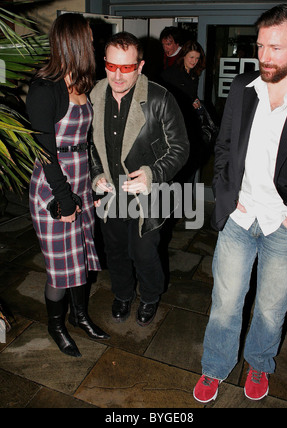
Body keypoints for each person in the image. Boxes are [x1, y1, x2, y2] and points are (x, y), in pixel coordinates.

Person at [193, 3, 287, 403]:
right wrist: (226, 195)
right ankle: (214, 368)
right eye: (260, 46)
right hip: (240, 217)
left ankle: (259, 362)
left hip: (283, 225)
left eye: (276, 48)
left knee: (272, 309)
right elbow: (223, 146)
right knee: (224, 303)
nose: (265, 57)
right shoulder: (243, 87)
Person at [90, 32, 189, 326]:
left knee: (144, 252)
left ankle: (149, 295)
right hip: (112, 194)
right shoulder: (94, 95)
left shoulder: (159, 98)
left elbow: (181, 148)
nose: (118, 76)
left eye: (127, 68)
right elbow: (88, 145)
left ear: (140, 66)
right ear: (104, 63)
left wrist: (152, 174)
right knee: (115, 251)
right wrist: (96, 175)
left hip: (149, 195)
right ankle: (122, 294)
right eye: (112, 66)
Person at [26, 13, 110, 358]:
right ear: (75, 43)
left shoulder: (82, 83)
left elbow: (86, 142)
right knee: (61, 265)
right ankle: (56, 325)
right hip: (53, 185)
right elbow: (46, 153)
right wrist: (64, 199)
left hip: (80, 179)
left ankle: (79, 316)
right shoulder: (45, 89)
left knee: (81, 256)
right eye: (89, 40)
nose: (93, 45)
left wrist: (95, 178)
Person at [161, 40, 206, 182]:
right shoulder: (171, 74)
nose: (194, 61)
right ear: (184, 56)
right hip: (175, 125)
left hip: (190, 124)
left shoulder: (193, 75)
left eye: (197, 58)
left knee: (190, 164)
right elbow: (167, 100)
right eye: (191, 57)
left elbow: (190, 95)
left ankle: (183, 198)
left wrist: (195, 102)